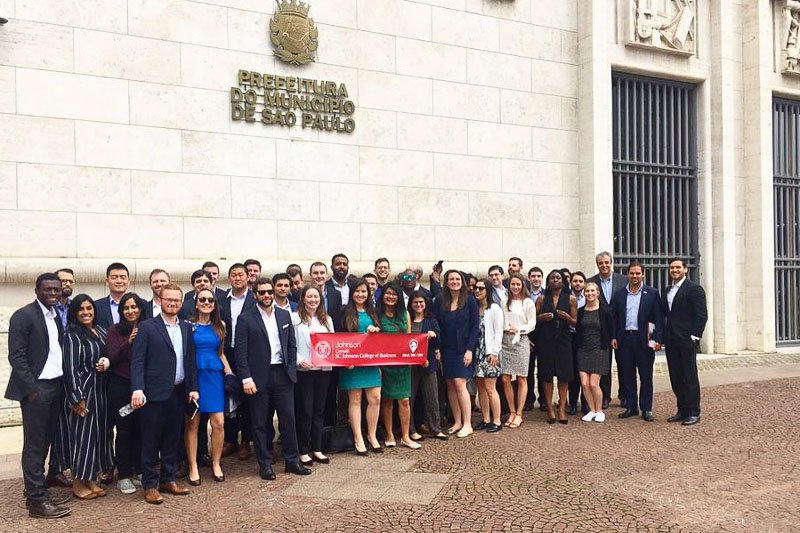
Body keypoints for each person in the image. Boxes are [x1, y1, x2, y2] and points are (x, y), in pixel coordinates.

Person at [5, 273, 72, 518]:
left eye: (56, 289)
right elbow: (17, 357)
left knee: (45, 441)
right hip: (37, 390)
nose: (53, 293)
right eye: (48, 290)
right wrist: (31, 389)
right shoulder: (24, 316)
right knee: (34, 446)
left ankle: (36, 488)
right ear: (36, 290)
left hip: (55, 387)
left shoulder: (55, 317)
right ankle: (36, 502)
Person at [234, 278, 311, 480]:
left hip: (283, 375)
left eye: (269, 292)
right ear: (255, 295)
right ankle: (265, 464)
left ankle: (292, 461)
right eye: (262, 292)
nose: (267, 295)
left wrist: (292, 368)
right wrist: (246, 378)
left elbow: (291, 345)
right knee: (260, 422)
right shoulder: (245, 318)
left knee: (288, 419)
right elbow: (240, 353)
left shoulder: (285, 315)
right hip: (259, 376)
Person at [130, 283, 198, 504]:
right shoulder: (147, 327)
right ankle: (150, 485)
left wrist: (193, 388)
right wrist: (137, 389)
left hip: (179, 392)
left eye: (177, 300)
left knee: (172, 439)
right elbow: (138, 361)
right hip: (153, 394)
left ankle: (167, 479)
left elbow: (190, 360)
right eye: (168, 299)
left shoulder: (186, 328)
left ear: (181, 302)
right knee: (150, 440)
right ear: (160, 301)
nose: (173, 303)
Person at [62, 294, 113, 500]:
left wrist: (105, 362)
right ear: (75, 312)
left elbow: (109, 353)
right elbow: (70, 368)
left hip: (101, 390)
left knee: (98, 436)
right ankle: (78, 482)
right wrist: (76, 398)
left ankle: (91, 478)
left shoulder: (100, 330)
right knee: (82, 438)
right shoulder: (72, 335)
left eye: (89, 308)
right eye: (81, 309)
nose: (86, 312)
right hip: (84, 391)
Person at [185, 288, 230, 485]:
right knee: (193, 422)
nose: (206, 302)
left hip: (214, 376)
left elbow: (220, 353)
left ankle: (216, 462)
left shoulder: (220, 325)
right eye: (202, 299)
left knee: (218, 422)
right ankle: (193, 465)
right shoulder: (188, 326)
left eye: (210, 299)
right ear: (196, 303)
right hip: (195, 376)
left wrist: (230, 374)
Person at [610, 262, 664, 422]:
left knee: (646, 375)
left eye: (637, 273)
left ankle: (646, 408)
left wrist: (658, 340)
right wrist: (613, 336)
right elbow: (614, 318)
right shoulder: (619, 294)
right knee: (627, 375)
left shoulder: (652, 293)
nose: (634, 276)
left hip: (644, 339)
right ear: (628, 274)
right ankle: (631, 407)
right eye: (632, 273)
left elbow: (658, 319)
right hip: (625, 339)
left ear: (643, 275)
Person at [105, 292, 146, 495]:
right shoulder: (115, 330)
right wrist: (128, 341)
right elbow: (111, 356)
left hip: (142, 387)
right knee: (124, 431)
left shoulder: (147, 327)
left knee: (141, 429)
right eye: (126, 308)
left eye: (134, 307)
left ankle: (138, 469)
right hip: (121, 387)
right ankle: (123, 475)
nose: (131, 311)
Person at [337, 278, 382, 455]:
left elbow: (381, 338)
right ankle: (358, 437)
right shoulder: (344, 312)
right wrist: (344, 359)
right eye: (357, 291)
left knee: (375, 398)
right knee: (355, 400)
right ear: (351, 292)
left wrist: (376, 331)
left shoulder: (373, 311)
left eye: (364, 291)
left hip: (370, 362)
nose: (361, 294)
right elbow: (339, 338)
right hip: (352, 364)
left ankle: (371, 435)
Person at [292, 284, 335, 465]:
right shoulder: (294, 318)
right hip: (304, 371)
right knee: (305, 411)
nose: (313, 300)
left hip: (323, 371)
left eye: (316, 297)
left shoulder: (326, 320)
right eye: (309, 296)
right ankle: (303, 449)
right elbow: (290, 345)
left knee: (319, 410)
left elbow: (333, 343)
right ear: (303, 299)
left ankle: (317, 448)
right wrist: (299, 360)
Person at [662, 258, 708, 426]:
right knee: (676, 376)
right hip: (671, 340)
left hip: (687, 341)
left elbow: (701, 314)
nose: (674, 270)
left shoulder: (694, 289)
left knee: (689, 376)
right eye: (672, 267)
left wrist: (694, 337)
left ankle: (694, 411)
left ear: (685, 269)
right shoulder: (667, 290)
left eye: (678, 267)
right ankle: (681, 410)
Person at [375, 282, 419, 450]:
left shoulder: (404, 314)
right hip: (385, 363)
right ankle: (389, 434)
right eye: (388, 293)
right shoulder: (377, 315)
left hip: (402, 363)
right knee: (386, 400)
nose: (391, 296)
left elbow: (408, 338)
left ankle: (406, 436)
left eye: (394, 294)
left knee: (404, 400)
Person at [435, 270, 479, 438]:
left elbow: (474, 327)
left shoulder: (470, 301)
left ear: (462, 282)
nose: (454, 281)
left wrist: (470, 350)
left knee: (460, 384)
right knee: (450, 385)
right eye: (451, 279)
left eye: (457, 279)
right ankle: (457, 422)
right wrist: (437, 348)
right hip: (447, 349)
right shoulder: (440, 301)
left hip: (463, 350)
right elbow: (437, 325)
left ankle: (468, 424)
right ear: (446, 282)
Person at [221, 263, 256, 460]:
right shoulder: (220, 299)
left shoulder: (254, 298)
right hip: (226, 353)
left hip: (248, 355)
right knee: (228, 397)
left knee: (248, 399)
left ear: (247, 277)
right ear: (229, 277)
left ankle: (246, 442)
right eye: (233, 275)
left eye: (241, 275)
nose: (237, 278)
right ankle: (231, 439)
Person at [534, 270, 577, 424]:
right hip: (546, 341)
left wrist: (567, 317)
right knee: (547, 376)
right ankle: (550, 409)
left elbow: (576, 322)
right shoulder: (541, 298)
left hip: (563, 341)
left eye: (558, 278)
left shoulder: (571, 299)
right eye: (552, 278)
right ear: (548, 281)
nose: (555, 280)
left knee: (563, 376)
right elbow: (533, 321)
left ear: (563, 281)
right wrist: (541, 318)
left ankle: (562, 409)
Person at [587, 252, 627, 408]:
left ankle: (624, 395)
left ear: (611, 263)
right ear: (597, 264)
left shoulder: (623, 280)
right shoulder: (591, 282)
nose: (604, 265)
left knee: (624, 363)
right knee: (603, 365)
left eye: (606, 262)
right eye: (601, 263)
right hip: (600, 330)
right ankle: (604, 396)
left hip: (620, 329)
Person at [407, 292, 446, 440]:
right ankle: (410, 430)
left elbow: (439, 342)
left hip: (428, 364)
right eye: (415, 302)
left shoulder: (431, 320)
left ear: (425, 303)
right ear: (411, 304)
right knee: (409, 398)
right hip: (410, 365)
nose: (418, 305)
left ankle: (435, 428)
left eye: (421, 302)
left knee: (432, 398)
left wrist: (434, 336)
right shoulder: (407, 319)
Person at [500, 273, 536, 429]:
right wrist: (505, 328)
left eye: (518, 284)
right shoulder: (504, 301)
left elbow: (532, 323)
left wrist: (519, 329)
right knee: (505, 378)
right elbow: (500, 320)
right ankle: (512, 411)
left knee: (522, 378)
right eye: (512, 284)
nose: (515, 287)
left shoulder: (527, 302)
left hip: (520, 340)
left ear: (523, 286)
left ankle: (519, 413)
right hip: (506, 341)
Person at [575, 283, 613, 423]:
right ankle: (592, 410)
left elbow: (610, 329)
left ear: (597, 293)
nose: (590, 293)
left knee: (593, 384)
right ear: (584, 293)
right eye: (587, 291)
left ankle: (600, 411)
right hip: (583, 350)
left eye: (592, 291)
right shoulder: (580, 311)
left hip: (599, 349)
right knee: (584, 384)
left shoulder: (605, 311)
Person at [472, 279, 504, 433]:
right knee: (481, 388)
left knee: (491, 387)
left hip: (490, 353)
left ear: (487, 291)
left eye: (481, 288)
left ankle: (496, 420)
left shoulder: (495, 308)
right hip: (476, 352)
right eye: (476, 288)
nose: (477, 291)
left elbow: (499, 331)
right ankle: (485, 419)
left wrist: (495, 352)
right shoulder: (474, 309)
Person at [525, 266, 545, 412]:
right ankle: (529, 399)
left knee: (543, 370)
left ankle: (544, 399)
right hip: (528, 338)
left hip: (544, 338)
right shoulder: (524, 295)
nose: (536, 278)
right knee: (528, 370)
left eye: (538, 276)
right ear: (529, 278)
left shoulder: (547, 294)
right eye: (533, 276)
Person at [567, 271, 587, 415]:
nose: (578, 283)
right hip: (570, 338)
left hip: (586, 339)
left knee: (585, 370)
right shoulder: (566, 298)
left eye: (580, 281)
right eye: (575, 281)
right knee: (572, 372)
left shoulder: (589, 296)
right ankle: (573, 403)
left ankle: (586, 403)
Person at [94, 262, 130, 329]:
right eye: (114, 277)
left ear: (128, 282)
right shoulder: (96, 306)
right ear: (107, 282)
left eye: (123, 277)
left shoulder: (141, 305)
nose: (119, 281)